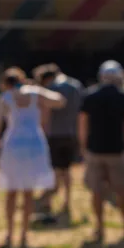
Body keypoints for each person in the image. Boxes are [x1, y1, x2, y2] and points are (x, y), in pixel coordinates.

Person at [0, 67, 65, 248]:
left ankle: (9, 234)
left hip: (13, 143)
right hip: (34, 144)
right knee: (28, 192)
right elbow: (60, 101)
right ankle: (24, 235)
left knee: (11, 190)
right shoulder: (34, 93)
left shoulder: (6, 98)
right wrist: (38, 90)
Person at [78, 61, 124, 244]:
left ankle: (99, 227)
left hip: (95, 150)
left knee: (97, 191)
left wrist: (83, 146)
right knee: (121, 191)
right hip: (116, 151)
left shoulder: (90, 96)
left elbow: (83, 124)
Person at [34, 63, 84, 217]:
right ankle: (67, 201)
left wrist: (41, 131)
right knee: (67, 169)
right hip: (72, 132)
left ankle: (48, 201)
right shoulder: (76, 85)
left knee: (53, 169)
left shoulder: (51, 88)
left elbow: (45, 113)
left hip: (54, 134)